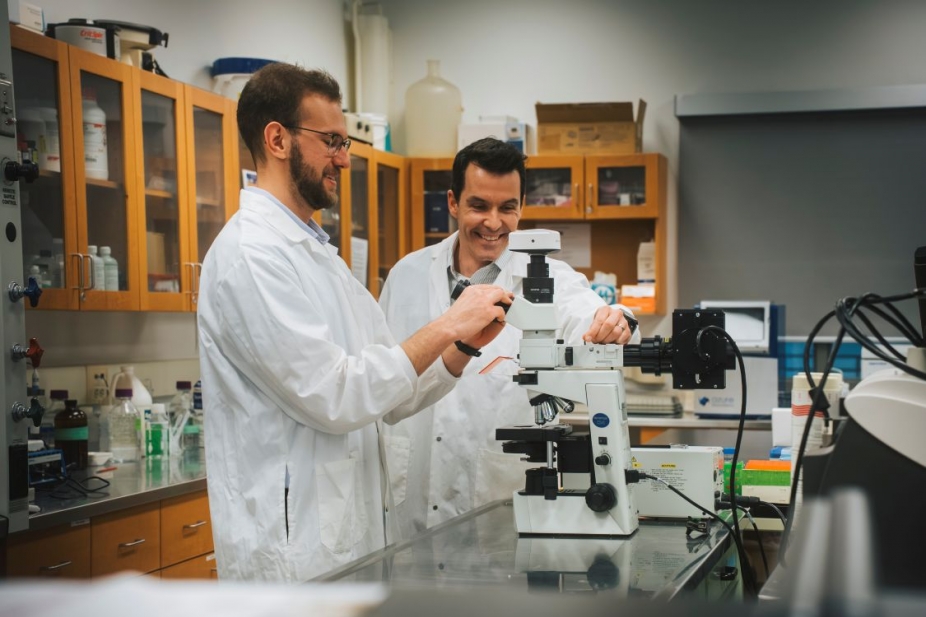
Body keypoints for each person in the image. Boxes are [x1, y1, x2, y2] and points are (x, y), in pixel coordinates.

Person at [197, 65, 512, 582]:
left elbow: (390, 392)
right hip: (293, 557)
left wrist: (460, 347)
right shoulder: (251, 255)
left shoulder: (318, 256)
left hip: (346, 547)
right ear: (277, 139)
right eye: (333, 141)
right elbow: (337, 395)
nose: (345, 158)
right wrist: (447, 324)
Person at [380, 137, 642, 538]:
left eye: (508, 208)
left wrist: (615, 319)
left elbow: (591, 314)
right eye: (479, 206)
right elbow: (384, 375)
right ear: (453, 202)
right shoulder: (406, 276)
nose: (493, 223)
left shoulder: (548, 279)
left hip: (499, 506)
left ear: (522, 207)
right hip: (409, 503)